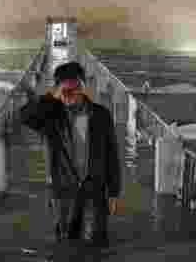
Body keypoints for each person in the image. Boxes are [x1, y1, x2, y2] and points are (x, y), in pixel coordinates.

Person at [20, 61, 121, 245]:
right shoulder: (51, 116)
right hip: (64, 190)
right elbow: (25, 116)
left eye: (72, 90)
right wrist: (51, 96)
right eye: (63, 91)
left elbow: (111, 154)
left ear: (82, 87)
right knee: (66, 241)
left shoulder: (100, 115)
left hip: (94, 188)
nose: (67, 96)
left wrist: (114, 192)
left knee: (97, 240)